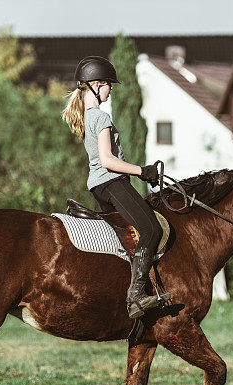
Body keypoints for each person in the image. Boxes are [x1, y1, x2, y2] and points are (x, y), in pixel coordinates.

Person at [61, 56, 167, 319]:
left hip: (98, 187)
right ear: (96, 84)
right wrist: (143, 171)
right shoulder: (101, 117)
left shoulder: (86, 116)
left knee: (128, 237)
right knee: (151, 229)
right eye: (109, 85)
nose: (111, 89)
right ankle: (136, 297)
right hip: (111, 182)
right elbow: (108, 160)